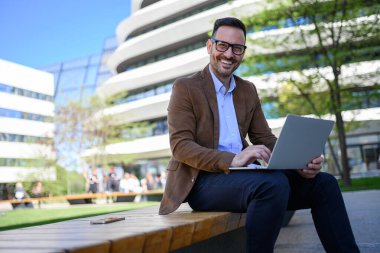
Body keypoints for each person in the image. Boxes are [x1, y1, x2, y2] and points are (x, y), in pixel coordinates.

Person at [159, 17, 359, 253]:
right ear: (210, 46)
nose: (229, 54)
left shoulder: (247, 90)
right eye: (222, 45)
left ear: (243, 52)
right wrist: (233, 159)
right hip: (203, 182)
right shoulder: (185, 87)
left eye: (237, 48)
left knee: (324, 183)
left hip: (246, 178)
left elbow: (264, 138)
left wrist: (300, 161)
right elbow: (181, 146)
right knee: (271, 184)